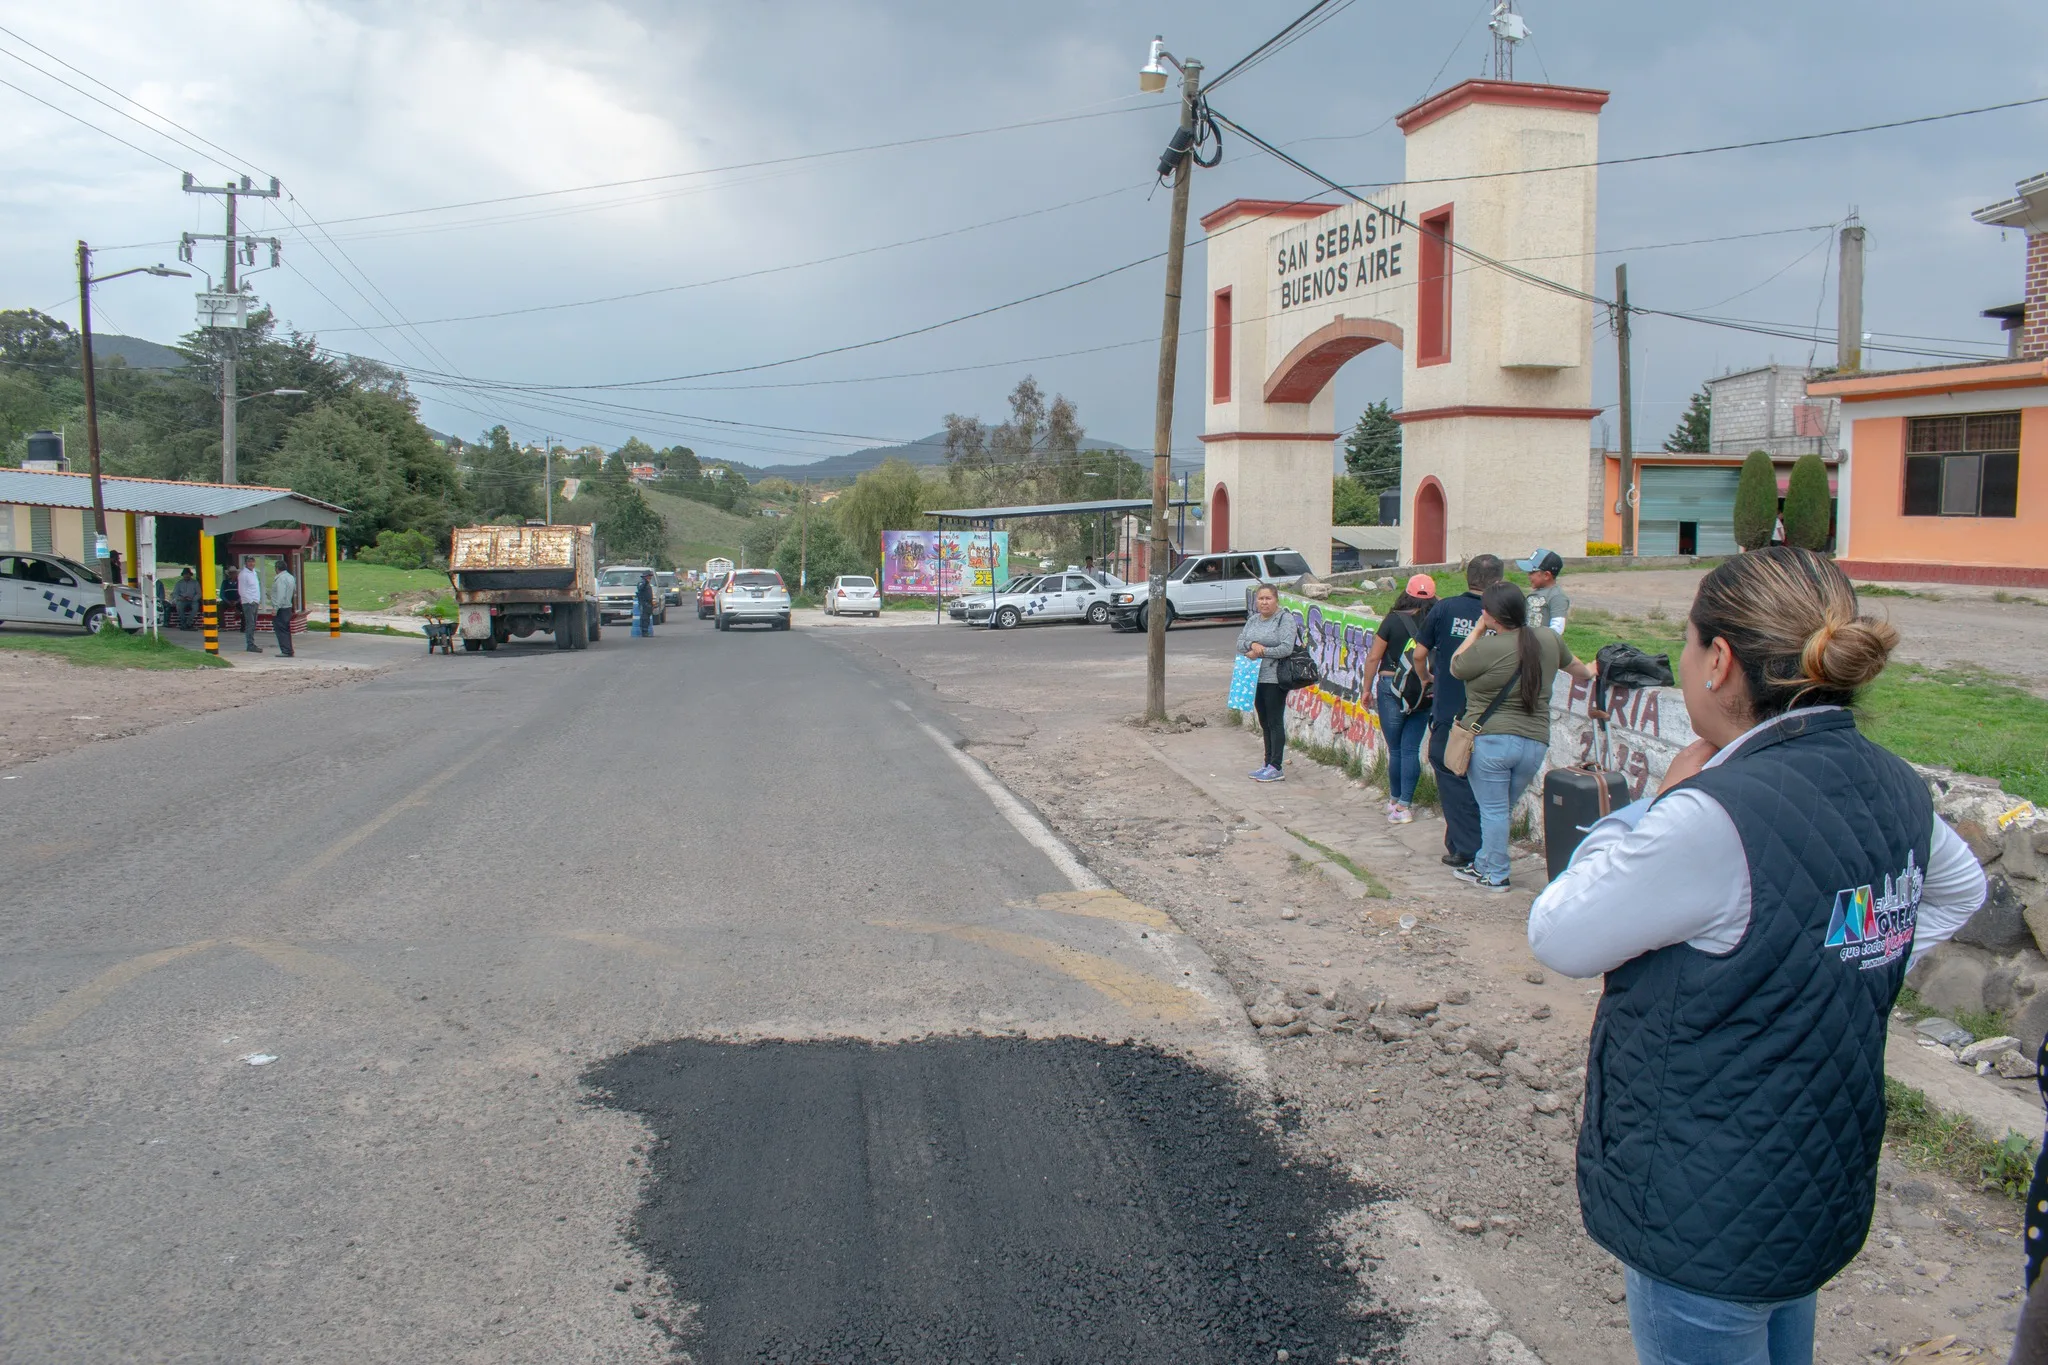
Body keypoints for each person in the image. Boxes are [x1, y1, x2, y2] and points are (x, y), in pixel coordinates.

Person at [1527, 547, 1987, 1365]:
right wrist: (1851, 955)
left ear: (1721, 661)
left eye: (1689, 643)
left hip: (1705, 1196)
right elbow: (1958, 893)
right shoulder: (1892, 781)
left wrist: (1648, 809)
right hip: (1814, 1175)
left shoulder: (1708, 816)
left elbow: (1559, 931)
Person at [1448, 582, 1596, 889]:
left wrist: (1477, 629)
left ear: (1492, 615)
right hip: (1534, 742)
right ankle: (1483, 864)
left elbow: (1456, 665)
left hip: (1491, 741)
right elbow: (1581, 671)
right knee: (1501, 810)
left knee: (1493, 810)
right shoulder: (1548, 639)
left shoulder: (1487, 646)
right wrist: (1597, 669)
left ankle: (1496, 874)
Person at [1413, 554, 1502, 869]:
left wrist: (1426, 679)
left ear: (1468, 577)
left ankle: (1466, 848)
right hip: (1493, 716)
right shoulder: (1503, 614)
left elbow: (1419, 653)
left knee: (1451, 778)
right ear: (1499, 581)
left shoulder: (1445, 608)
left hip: (1450, 713)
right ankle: (1471, 846)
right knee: (1486, 787)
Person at [1358, 574, 1436, 824]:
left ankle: (1394, 800)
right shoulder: (1436, 620)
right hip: (1424, 688)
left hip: (1392, 686)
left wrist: (1366, 689)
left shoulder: (1393, 620)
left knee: (1397, 750)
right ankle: (1405, 806)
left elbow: (1373, 658)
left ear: (1406, 593)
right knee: (1411, 749)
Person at [1236, 583, 1298, 783]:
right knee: (1263, 721)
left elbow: (1286, 648)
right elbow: (1240, 642)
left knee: (1274, 721)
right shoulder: (1253, 620)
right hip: (1254, 677)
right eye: (1261, 599)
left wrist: (1261, 652)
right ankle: (1267, 762)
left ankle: (1276, 766)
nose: (1264, 602)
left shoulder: (1284, 620)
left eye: (1268, 598)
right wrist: (1251, 645)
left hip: (1275, 678)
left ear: (1276, 600)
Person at [1517, 549, 1571, 631]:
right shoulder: (1537, 593)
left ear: (1546, 575)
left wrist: (1544, 641)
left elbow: (1558, 627)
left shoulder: (1557, 596)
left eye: (1532, 572)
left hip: (1543, 642)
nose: (1528, 576)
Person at [269, 558, 297, 657]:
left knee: (281, 630)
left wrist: (275, 608)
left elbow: (281, 595)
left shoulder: (280, 579)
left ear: (277, 568)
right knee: (286, 629)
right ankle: (289, 649)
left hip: (281, 608)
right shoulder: (290, 577)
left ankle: (286, 650)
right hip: (287, 606)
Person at [236, 556, 263, 653]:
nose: (251, 563)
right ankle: (250, 644)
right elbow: (242, 591)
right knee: (250, 624)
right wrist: (250, 600)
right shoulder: (243, 574)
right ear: (246, 563)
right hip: (248, 603)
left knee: (253, 624)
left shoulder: (254, 573)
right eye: (249, 562)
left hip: (255, 602)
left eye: (253, 561)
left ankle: (251, 643)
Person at [635, 570, 656, 637]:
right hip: (644, 603)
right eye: (649, 576)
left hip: (649, 603)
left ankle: (646, 631)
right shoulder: (642, 583)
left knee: (647, 618)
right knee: (644, 618)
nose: (650, 577)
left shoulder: (648, 583)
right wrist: (645, 583)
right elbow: (640, 588)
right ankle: (644, 632)